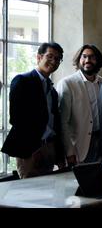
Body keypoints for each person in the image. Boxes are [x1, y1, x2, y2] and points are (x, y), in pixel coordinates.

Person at [1, 42, 66, 178]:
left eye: (58, 59)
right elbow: (16, 119)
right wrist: (34, 147)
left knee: (48, 192)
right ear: (38, 57)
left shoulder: (52, 90)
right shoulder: (22, 81)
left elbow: (54, 122)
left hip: (49, 147)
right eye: (50, 56)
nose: (54, 61)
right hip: (29, 149)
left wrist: (58, 153)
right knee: (30, 193)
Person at [56, 44, 102, 166]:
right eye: (84, 57)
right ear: (79, 60)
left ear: (98, 60)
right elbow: (63, 122)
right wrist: (69, 151)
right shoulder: (67, 84)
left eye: (92, 57)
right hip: (79, 145)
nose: (88, 60)